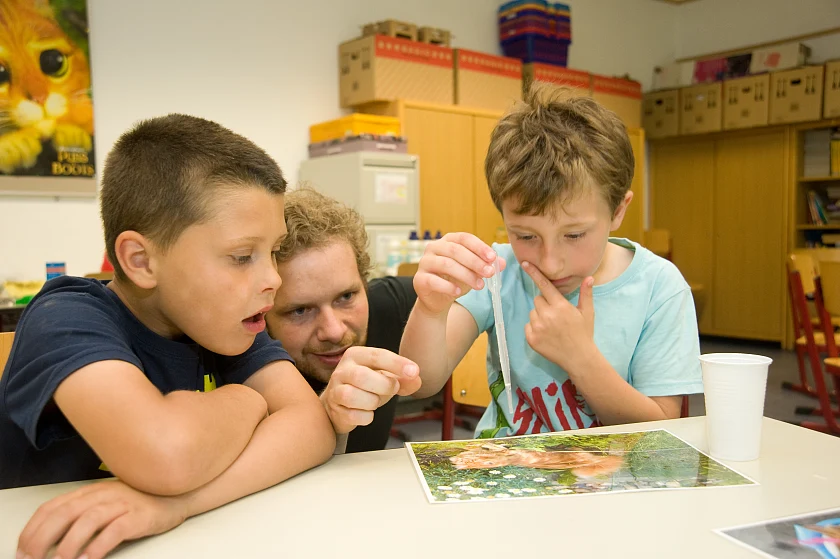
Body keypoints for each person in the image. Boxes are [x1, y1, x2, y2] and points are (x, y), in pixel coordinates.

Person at [2, 115, 336, 559]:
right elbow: (166, 455)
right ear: (141, 261)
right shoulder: (64, 317)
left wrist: (177, 505)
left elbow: (313, 426)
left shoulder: (225, 321)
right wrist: (249, 400)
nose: (273, 279)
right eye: (242, 256)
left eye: (273, 252)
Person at [400, 83, 703, 439]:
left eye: (574, 235)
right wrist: (430, 310)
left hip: (615, 472)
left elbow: (661, 429)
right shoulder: (497, 272)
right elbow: (420, 382)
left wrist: (580, 358)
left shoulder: (659, 287)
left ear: (618, 210)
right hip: (504, 466)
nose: (551, 263)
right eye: (526, 236)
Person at [266, 188, 421, 452]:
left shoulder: (389, 307)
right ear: (262, 312)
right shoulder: (237, 363)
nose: (334, 331)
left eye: (346, 296)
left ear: (365, 282)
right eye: (300, 311)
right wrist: (325, 415)